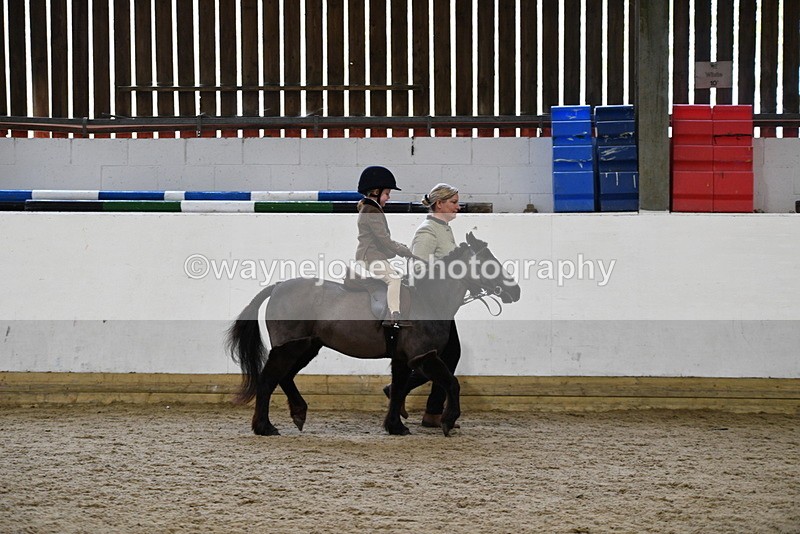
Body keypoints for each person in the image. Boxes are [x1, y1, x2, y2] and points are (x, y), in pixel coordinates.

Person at [384, 183, 462, 428]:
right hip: (428, 305)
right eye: (454, 202)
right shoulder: (428, 231)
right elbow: (418, 268)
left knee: (450, 355)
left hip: (442, 305)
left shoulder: (444, 229)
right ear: (439, 204)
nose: (458, 207)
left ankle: (430, 409)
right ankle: (429, 409)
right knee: (445, 356)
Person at [355, 166, 415, 328]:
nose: (388, 197)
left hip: (375, 255)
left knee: (397, 277)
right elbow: (385, 240)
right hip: (370, 257)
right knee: (394, 279)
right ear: (375, 191)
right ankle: (393, 315)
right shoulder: (372, 212)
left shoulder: (372, 209)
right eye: (387, 193)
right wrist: (404, 250)